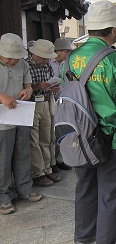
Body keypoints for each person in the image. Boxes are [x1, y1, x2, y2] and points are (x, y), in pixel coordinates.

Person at [68, 0, 116, 244]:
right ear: (113, 30)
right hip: (115, 138)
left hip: (79, 135)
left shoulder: (70, 58)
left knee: (85, 187)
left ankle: (83, 237)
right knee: (110, 195)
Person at [0, 33, 42, 215]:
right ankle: (3, 196)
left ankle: (25, 188)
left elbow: (29, 85)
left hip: (21, 115)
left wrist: (28, 90)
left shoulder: (23, 64)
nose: (13, 61)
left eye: (16, 57)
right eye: (9, 57)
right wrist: (1, 97)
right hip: (2, 120)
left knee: (24, 153)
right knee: (3, 158)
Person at [26, 39, 62, 187]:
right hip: (32, 103)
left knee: (46, 138)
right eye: (43, 57)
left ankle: (47, 168)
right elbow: (24, 87)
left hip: (46, 101)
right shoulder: (26, 65)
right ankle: (38, 173)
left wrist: (51, 87)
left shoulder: (47, 65)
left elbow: (48, 82)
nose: (46, 60)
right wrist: (36, 86)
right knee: (34, 140)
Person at [49, 37, 73, 173]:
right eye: (66, 51)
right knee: (51, 133)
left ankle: (60, 159)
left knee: (62, 130)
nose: (67, 54)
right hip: (51, 99)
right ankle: (52, 162)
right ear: (59, 51)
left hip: (63, 99)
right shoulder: (50, 63)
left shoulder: (65, 63)